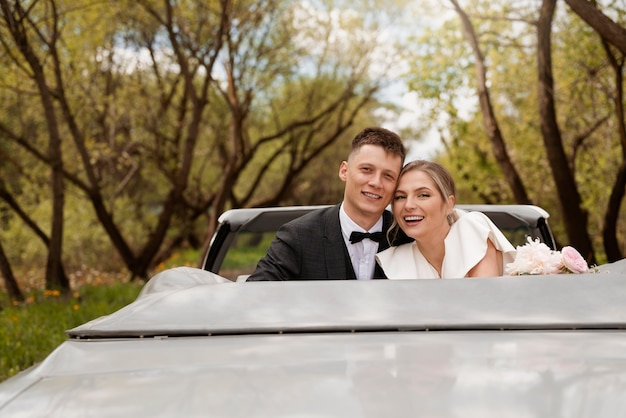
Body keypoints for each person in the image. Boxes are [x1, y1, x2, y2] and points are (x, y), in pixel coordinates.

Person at [246, 127, 407, 281]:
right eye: (366, 169)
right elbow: (255, 294)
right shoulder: (298, 236)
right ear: (344, 171)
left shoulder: (407, 237)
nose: (376, 183)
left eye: (388, 175)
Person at [376, 160, 516, 279]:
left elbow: (485, 302)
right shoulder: (396, 260)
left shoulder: (471, 230)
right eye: (400, 197)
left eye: (423, 195)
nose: (408, 205)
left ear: (449, 204)